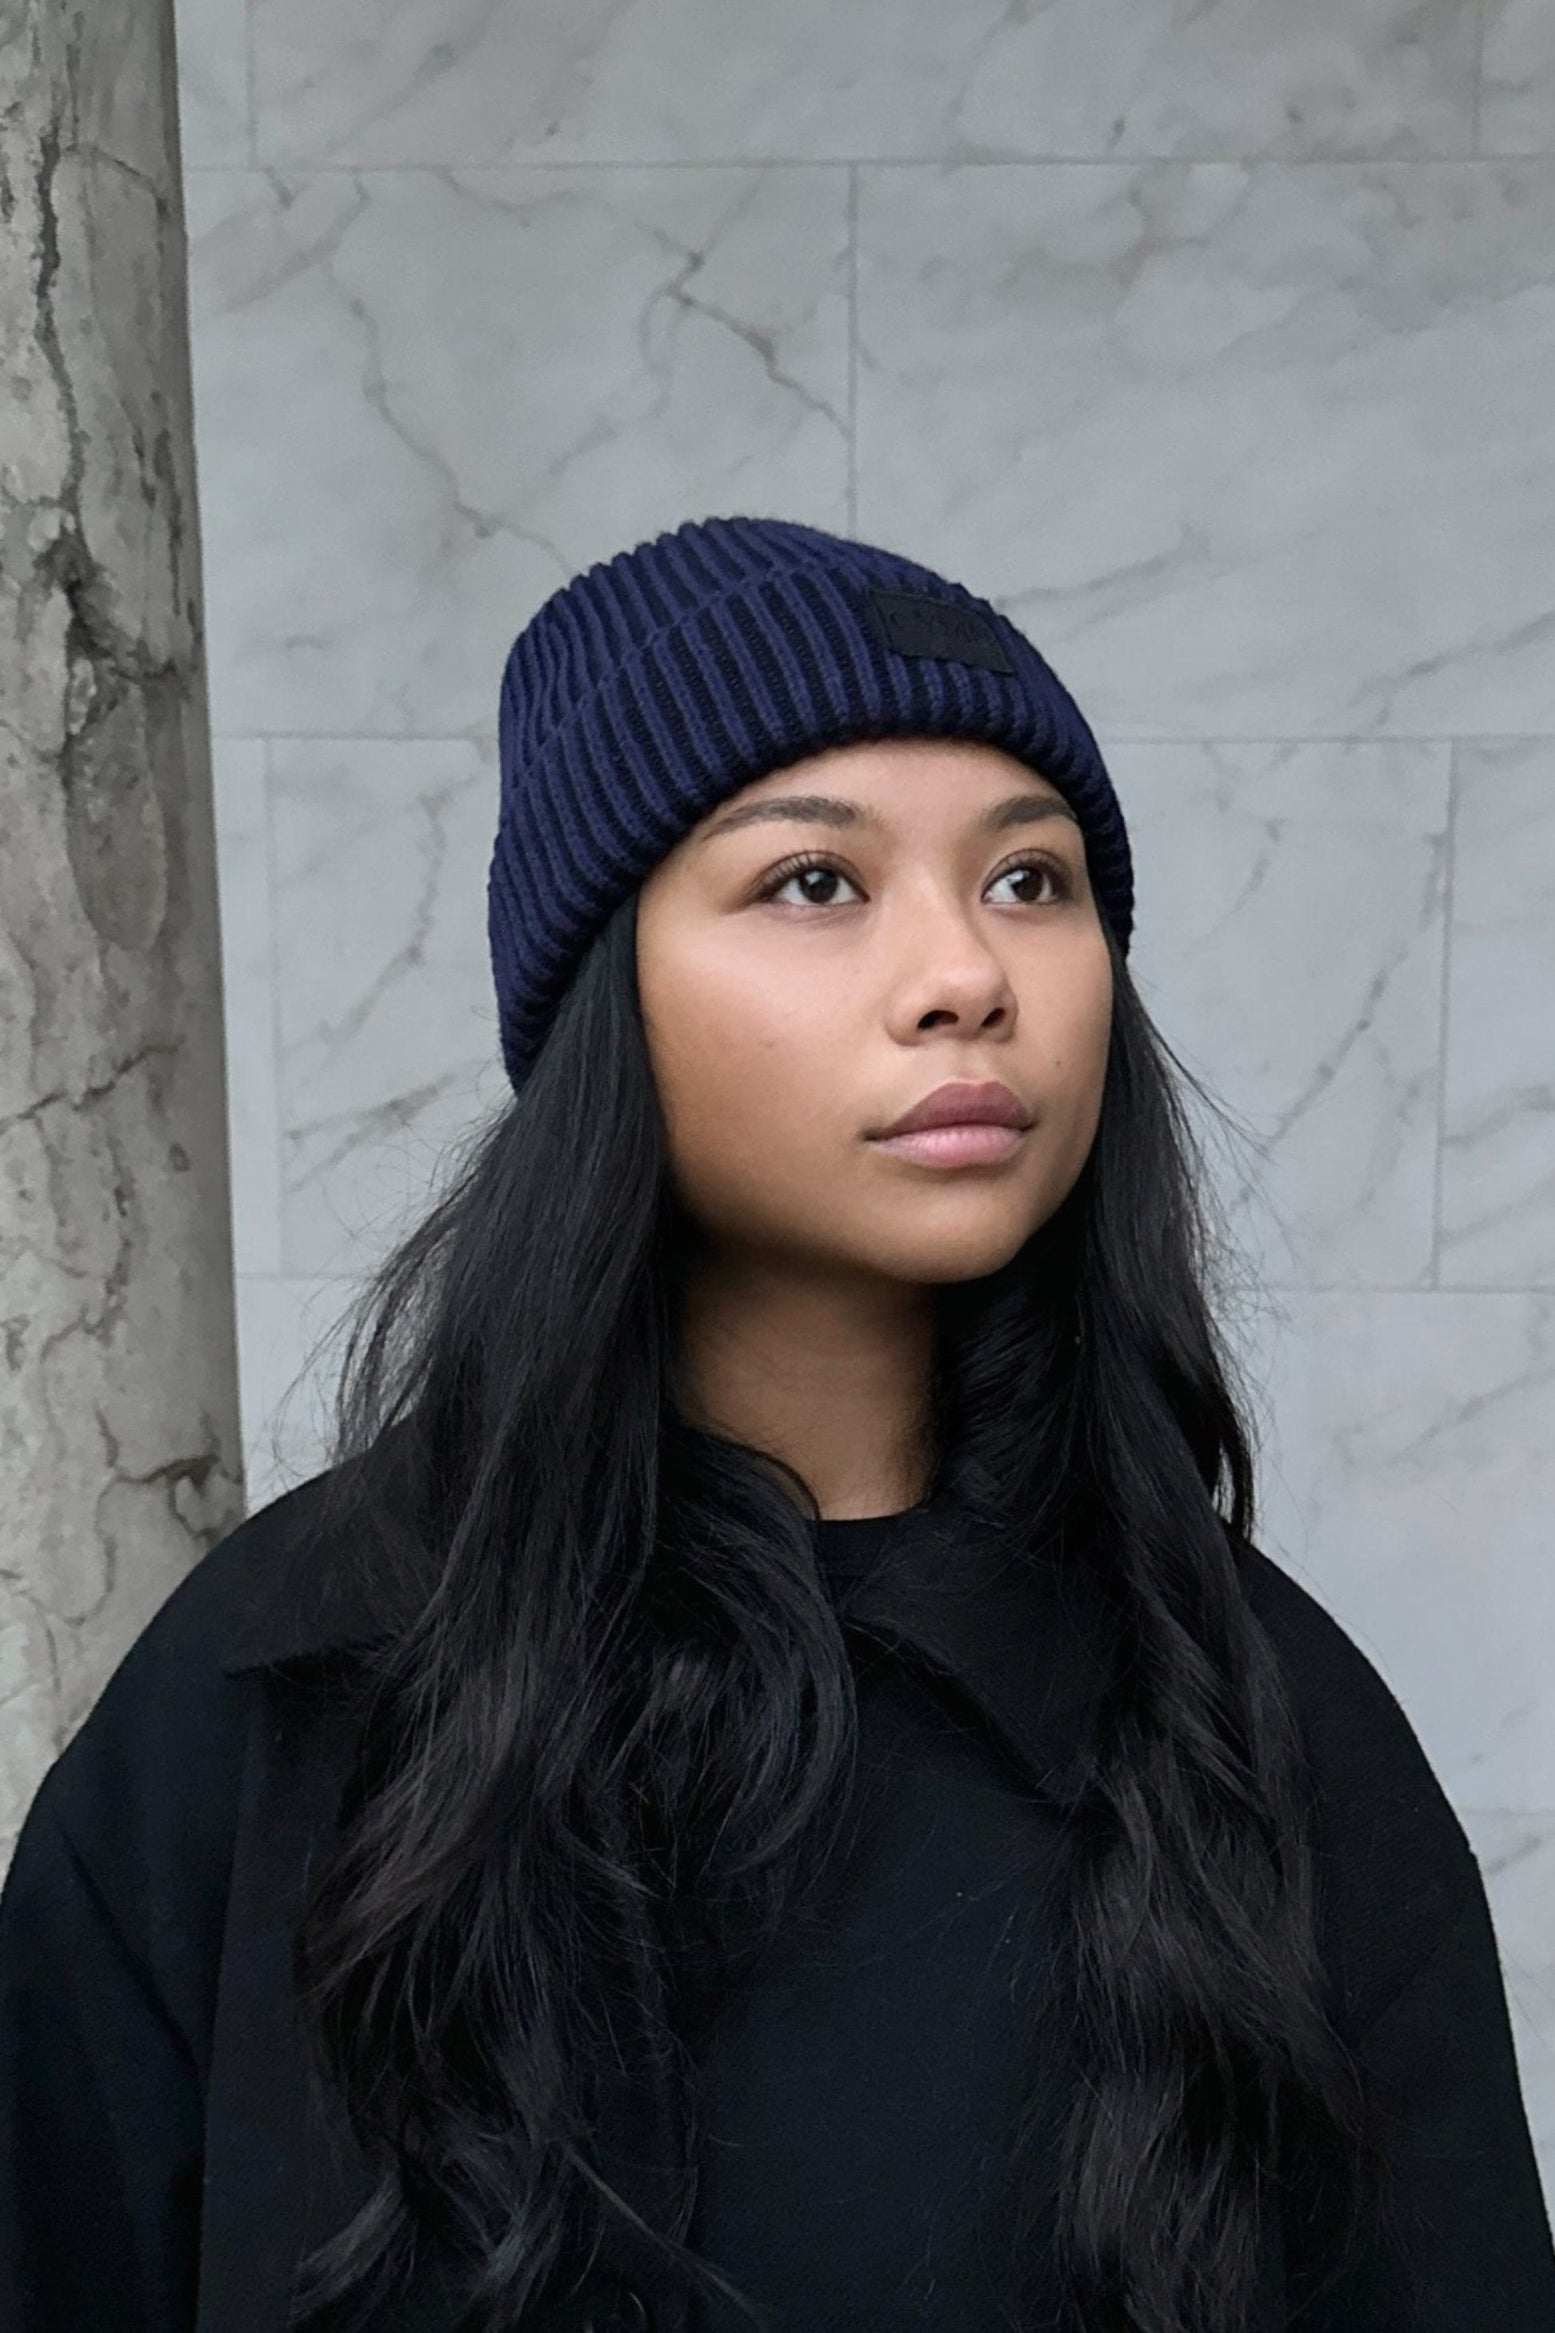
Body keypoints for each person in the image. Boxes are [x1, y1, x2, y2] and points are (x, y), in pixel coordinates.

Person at [1, 514, 1551, 2333]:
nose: (968, 971)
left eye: (1032, 879)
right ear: (605, 994)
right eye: (815, 882)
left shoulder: (1256, 1719)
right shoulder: (283, 1688)